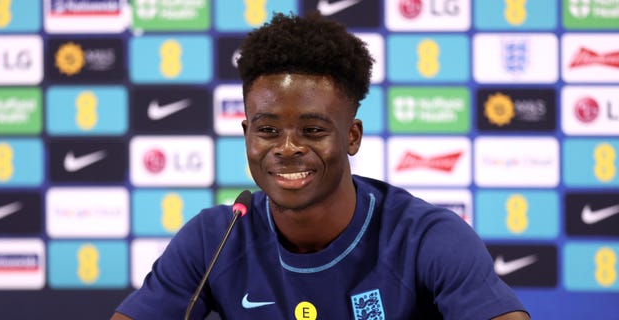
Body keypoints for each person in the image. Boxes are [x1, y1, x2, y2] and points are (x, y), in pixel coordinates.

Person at [111, 11, 530, 320]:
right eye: (268, 130)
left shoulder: (426, 238)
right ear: (246, 136)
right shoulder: (216, 238)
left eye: (312, 130)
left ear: (352, 136)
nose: (287, 148)